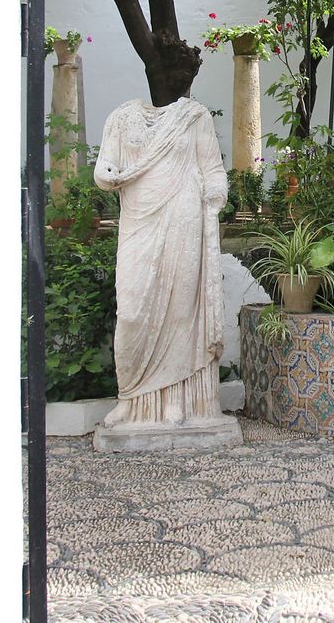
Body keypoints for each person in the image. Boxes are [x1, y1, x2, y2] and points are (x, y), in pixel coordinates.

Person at [94, 95, 228, 428]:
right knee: (131, 312)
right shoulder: (122, 117)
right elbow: (104, 166)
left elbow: (213, 169)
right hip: (139, 222)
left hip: (183, 219)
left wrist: (215, 194)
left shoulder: (195, 116)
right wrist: (106, 173)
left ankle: (177, 399)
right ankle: (131, 398)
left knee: (180, 312)